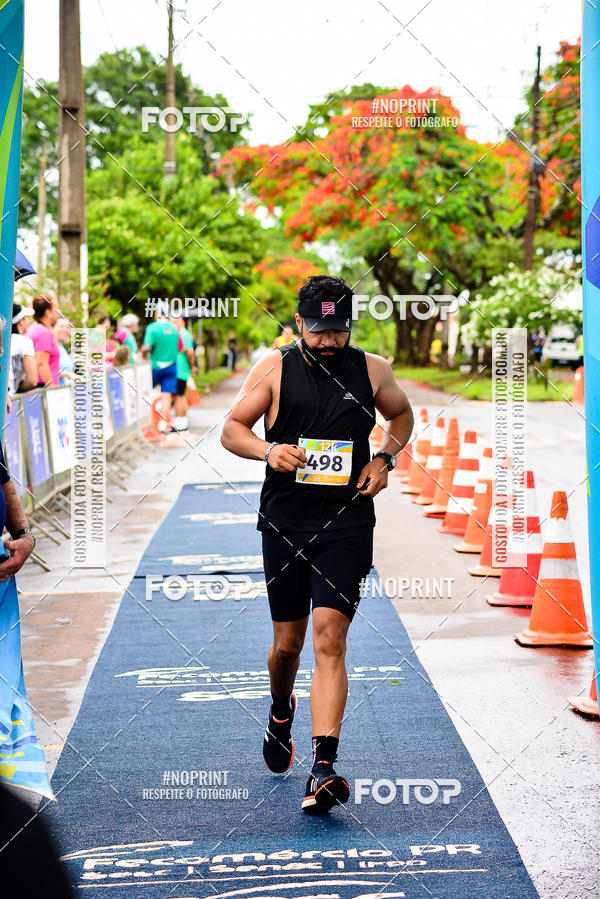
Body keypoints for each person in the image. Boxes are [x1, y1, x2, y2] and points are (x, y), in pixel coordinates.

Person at [221, 274, 413, 813]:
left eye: (339, 329)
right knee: (288, 644)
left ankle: (323, 767)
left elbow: (402, 415)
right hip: (285, 522)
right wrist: (267, 451)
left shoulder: (373, 369)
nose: (330, 340)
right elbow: (231, 428)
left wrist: (384, 458)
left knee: (331, 637)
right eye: (320, 330)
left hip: (348, 521)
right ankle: (281, 706)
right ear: (301, 323)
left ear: (350, 324)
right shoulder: (274, 368)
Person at [141, 310, 180, 432]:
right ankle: (163, 424)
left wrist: (143, 355)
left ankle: (148, 424)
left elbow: (147, 347)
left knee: (146, 393)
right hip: (171, 365)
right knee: (166, 396)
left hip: (154, 366)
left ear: (157, 312)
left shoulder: (152, 328)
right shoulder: (174, 329)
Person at [26, 295, 60, 387]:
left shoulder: (33, 329)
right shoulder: (43, 333)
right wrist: (53, 389)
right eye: (56, 309)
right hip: (43, 388)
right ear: (48, 312)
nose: (59, 313)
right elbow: (41, 364)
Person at [171, 315, 196, 432]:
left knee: (179, 395)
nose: (174, 323)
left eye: (176, 321)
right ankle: (181, 421)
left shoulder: (183, 334)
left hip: (180, 369)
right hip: (180, 369)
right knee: (180, 395)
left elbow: (190, 352)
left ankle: (181, 421)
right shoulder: (180, 333)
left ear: (183, 322)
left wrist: (192, 366)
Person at [8, 304, 37, 394]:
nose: (28, 321)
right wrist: (18, 387)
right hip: (10, 399)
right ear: (20, 321)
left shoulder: (5, 341)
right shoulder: (24, 341)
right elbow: (32, 380)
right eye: (26, 317)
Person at [53, 317, 73, 384]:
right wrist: (67, 374)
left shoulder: (62, 348)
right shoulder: (50, 347)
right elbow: (46, 370)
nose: (65, 329)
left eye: (67, 327)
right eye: (61, 326)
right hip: (53, 392)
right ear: (53, 328)